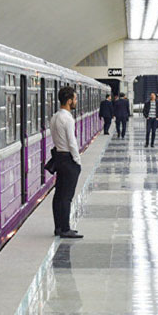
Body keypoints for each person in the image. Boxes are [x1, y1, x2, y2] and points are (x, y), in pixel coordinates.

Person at [50, 86, 84, 238]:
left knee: (58, 195)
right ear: (69, 101)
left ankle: (58, 227)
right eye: (75, 99)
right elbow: (72, 142)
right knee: (67, 197)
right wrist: (77, 161)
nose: (76, 101)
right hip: (68, 159)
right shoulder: (68, 118)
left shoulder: (55, 117)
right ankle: (65, 229)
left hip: (58, 157)